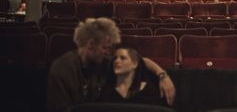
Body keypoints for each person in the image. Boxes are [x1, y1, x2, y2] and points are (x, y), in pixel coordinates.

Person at [47, 17, 175, 112]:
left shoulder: (103, 61)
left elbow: (142, 61)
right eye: (105, 48)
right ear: (91, 44)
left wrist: (163, 76)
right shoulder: (62, 69)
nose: (109, 53)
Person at [99, 46, 166, 106]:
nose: (116, 61)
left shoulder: (148, 92)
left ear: (134, 64)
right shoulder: (106, 91)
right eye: (115, 58)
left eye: (123, 58)